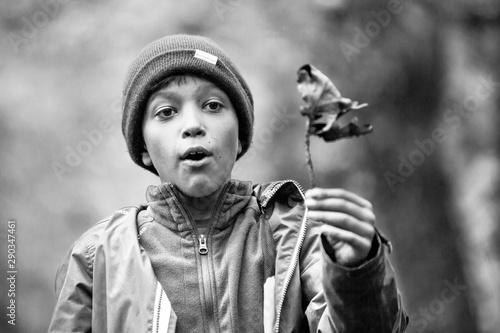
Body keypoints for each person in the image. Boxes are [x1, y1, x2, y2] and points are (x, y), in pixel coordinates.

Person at [48, 34, 408, 333]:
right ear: (143, 148)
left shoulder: (296, 233)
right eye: (166, 112)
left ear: (239, 139)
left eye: (213, 105)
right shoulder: (98, 258)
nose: (192, 124)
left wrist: (357, 272)